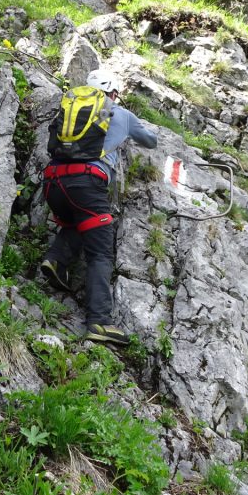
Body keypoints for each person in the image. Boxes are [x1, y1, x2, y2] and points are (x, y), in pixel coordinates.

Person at [40, 68, 158, 345]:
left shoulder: (70, 108)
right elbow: (151, 141)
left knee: (77, 223)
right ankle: (99, 322)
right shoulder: (121, 113)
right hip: (87, 185)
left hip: (53, 182)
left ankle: (56, 259)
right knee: (100, 252)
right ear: (113, 93)